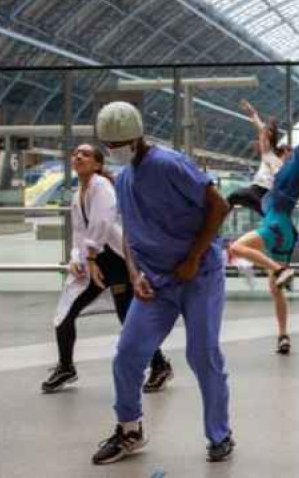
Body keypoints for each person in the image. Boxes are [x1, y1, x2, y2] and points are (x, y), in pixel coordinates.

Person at [91, 102, 234, 465]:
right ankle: (129, 430)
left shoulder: (169, 164)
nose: (115, 150)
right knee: (128, 354)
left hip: (198, 275)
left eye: (121, 142)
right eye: (109, 145)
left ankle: (220, 435)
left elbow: (219, 206)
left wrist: (192, 258)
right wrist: (135, 273)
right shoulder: (123, 179)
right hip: (155, 280)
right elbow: (131, 235)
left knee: (202, 355)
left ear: (138, 136)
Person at [42, 144, 172, 394]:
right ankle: (66, 366)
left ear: (98, 165)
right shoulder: (78, 193)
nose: (78, 156)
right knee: (66, 311)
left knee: (128, 318)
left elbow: (103, 222)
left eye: (86, 154)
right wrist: (76, 258)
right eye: (75, 153)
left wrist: (89, 258)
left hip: (114, 261)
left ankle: (160, 365)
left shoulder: (101, 187)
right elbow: (79, 231)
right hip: (95, 261)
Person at [229, 103, 299, 355]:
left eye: (290, 151)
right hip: (287, 232)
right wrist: (255, 118)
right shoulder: (290, 175)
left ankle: (279, 268)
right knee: (275, 290)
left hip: (275, 225)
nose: (287, 151)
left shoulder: (291, 170)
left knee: (236, 247)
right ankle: (283, 336)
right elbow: (265, 143)